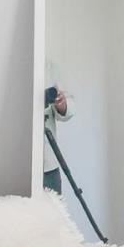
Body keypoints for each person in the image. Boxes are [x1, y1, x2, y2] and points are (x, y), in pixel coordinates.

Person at [42, 61, 74, 195]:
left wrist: (62, 104)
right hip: (14, 164)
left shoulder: (49, 68)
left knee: (54, 213)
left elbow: (68, 107)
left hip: (48, 164)